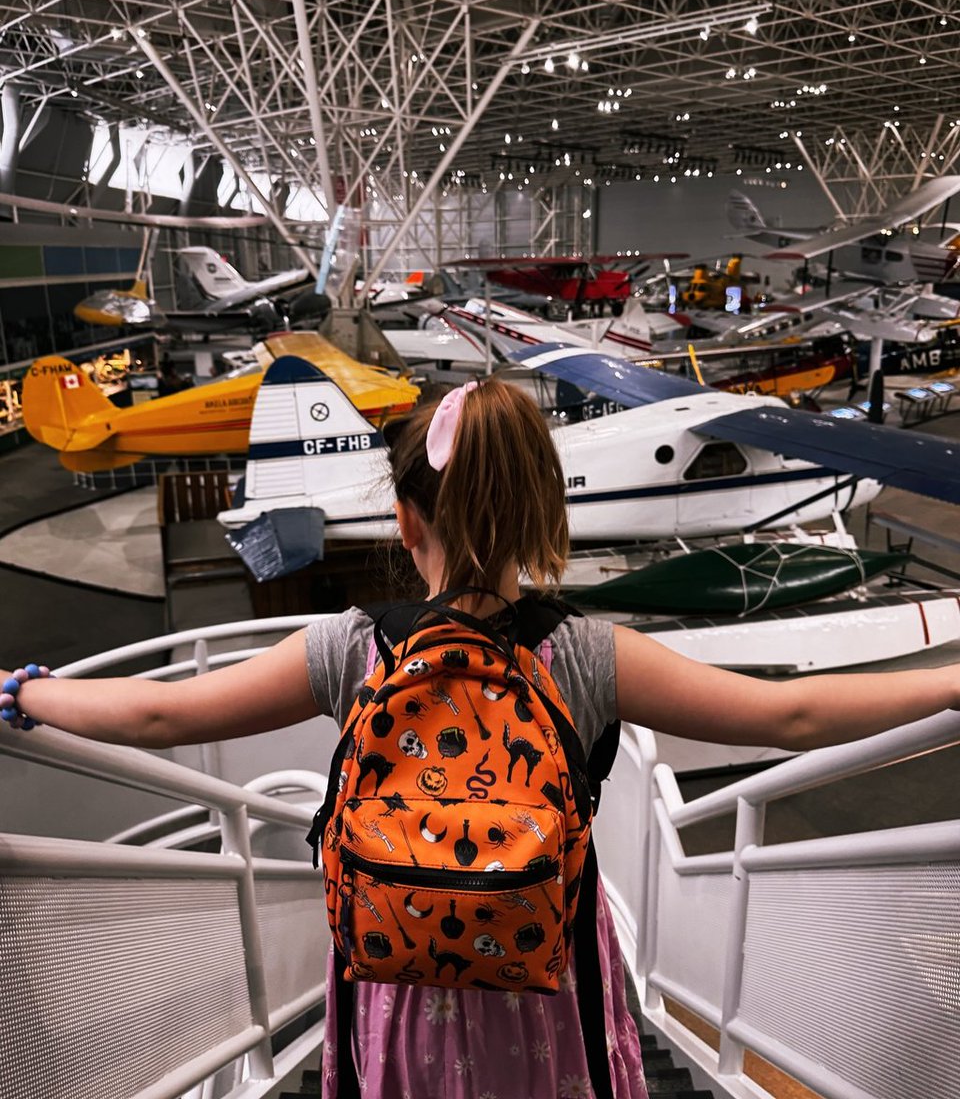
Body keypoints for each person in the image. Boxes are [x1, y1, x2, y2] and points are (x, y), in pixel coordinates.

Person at [3, 378, 959, 1099]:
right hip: (546, 981)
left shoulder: (350, 648)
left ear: (405, 518)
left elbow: (164, 714)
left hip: (397, 973)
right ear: (547, 514)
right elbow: (788, 713)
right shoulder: (589, 655)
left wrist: (32, 696)